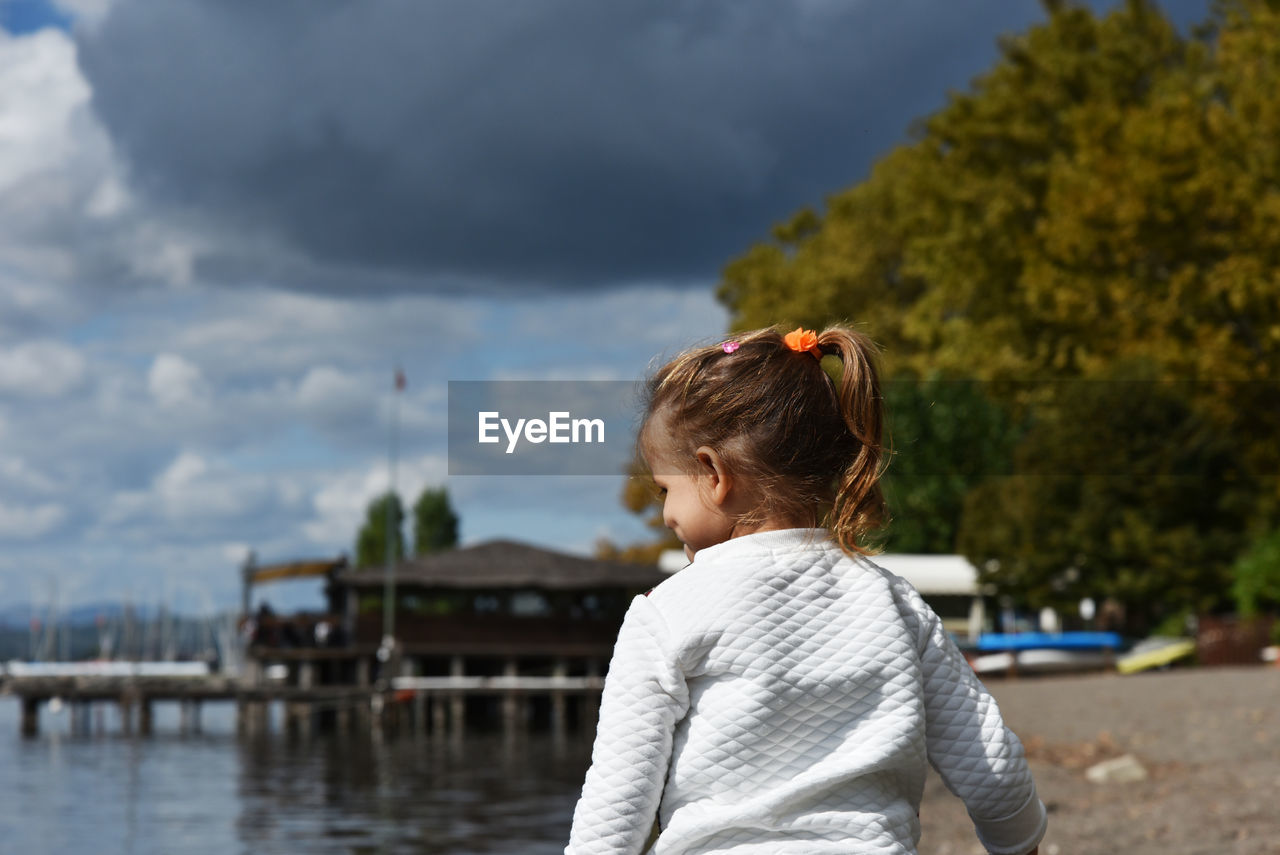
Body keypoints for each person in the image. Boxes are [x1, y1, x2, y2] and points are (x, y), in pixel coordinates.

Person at [565, 326, 1045, 855]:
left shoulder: (666, 615)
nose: (665, 516)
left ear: (712, 472)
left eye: (665, 490)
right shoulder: (892, 601)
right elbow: (988, 759)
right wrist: (1019, 843)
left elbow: (616, 807)